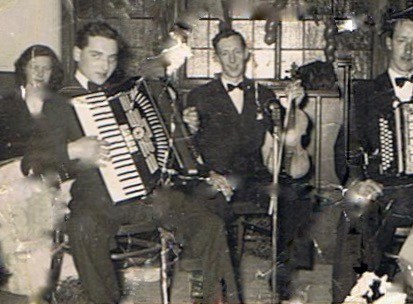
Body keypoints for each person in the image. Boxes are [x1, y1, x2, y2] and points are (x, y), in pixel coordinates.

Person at [30, 22, 239, 304]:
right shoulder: (57, 103)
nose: (105, 65)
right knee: (83, 229)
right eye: (97, 55)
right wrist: (71, 148)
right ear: (77, 53)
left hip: (150, 197)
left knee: (209, 225)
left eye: (112, 58)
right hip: (97, 200)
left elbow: (162, 146)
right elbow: (32, 162)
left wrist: (181, 127)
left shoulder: (128, 92)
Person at [184, 29, 313, 301]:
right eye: (225, 53)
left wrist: (294, 105)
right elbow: (190, 145)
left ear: (246, 54)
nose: (232, 59)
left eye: (237, 52)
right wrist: (189, 129)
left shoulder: (263, 94)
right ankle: (207, 279)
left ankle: (282, 276)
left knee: (297, 195)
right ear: (217, 58)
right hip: (216, 177)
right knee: (207, 203)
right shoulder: (199, 96)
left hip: (254, 177)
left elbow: (280, 141)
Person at [333, 8, 413, 303]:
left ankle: (374, 285)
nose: (408, 50)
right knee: (353, 212)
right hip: (380, 184)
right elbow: (347, 147)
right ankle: (347, 298)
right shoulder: (365, 92)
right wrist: (357, 180)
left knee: (389, 211)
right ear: (389, 42)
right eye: (402, 40)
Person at [0, 45, 65, 303]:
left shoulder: (60, 107)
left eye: (46, 68)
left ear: (53, 74)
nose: (40, 73)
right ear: (23, 69)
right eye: (34, 66)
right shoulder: (6, 105)